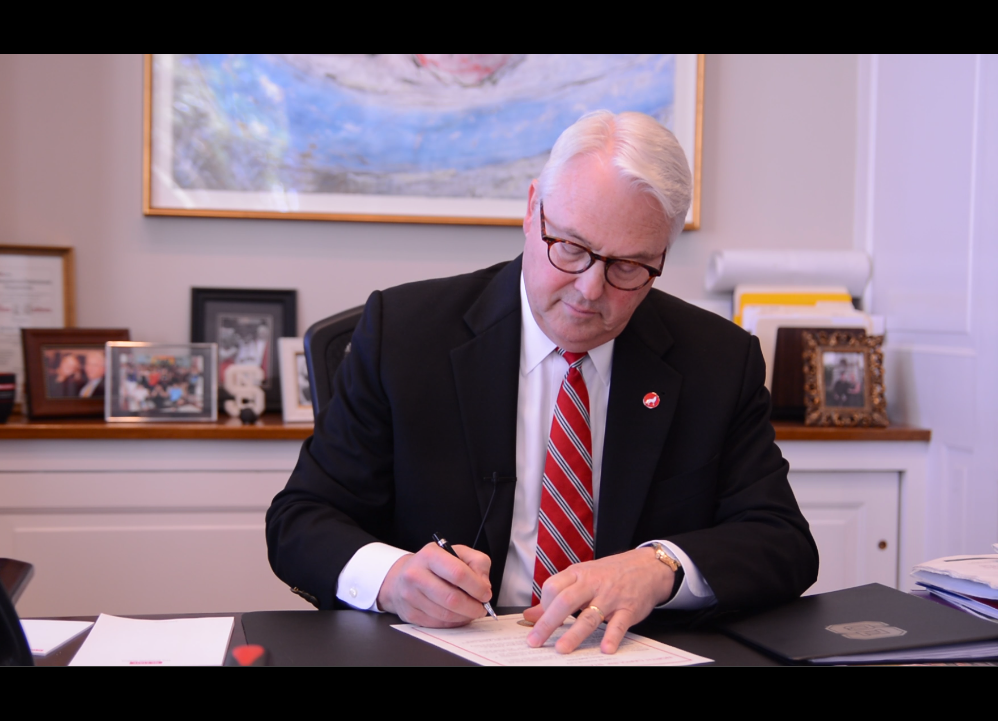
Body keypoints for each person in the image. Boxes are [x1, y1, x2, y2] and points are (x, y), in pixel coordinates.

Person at [266, 110, 818, 654]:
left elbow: (782, 539)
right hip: (441, 651)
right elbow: (302, 519)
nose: (590, 289)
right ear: (533, 210)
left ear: (661, 256)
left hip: (626, 651)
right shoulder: (405, 332)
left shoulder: (718, 359)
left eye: (628, 267)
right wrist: (393, 579)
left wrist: (660, 565)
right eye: (571, 249)